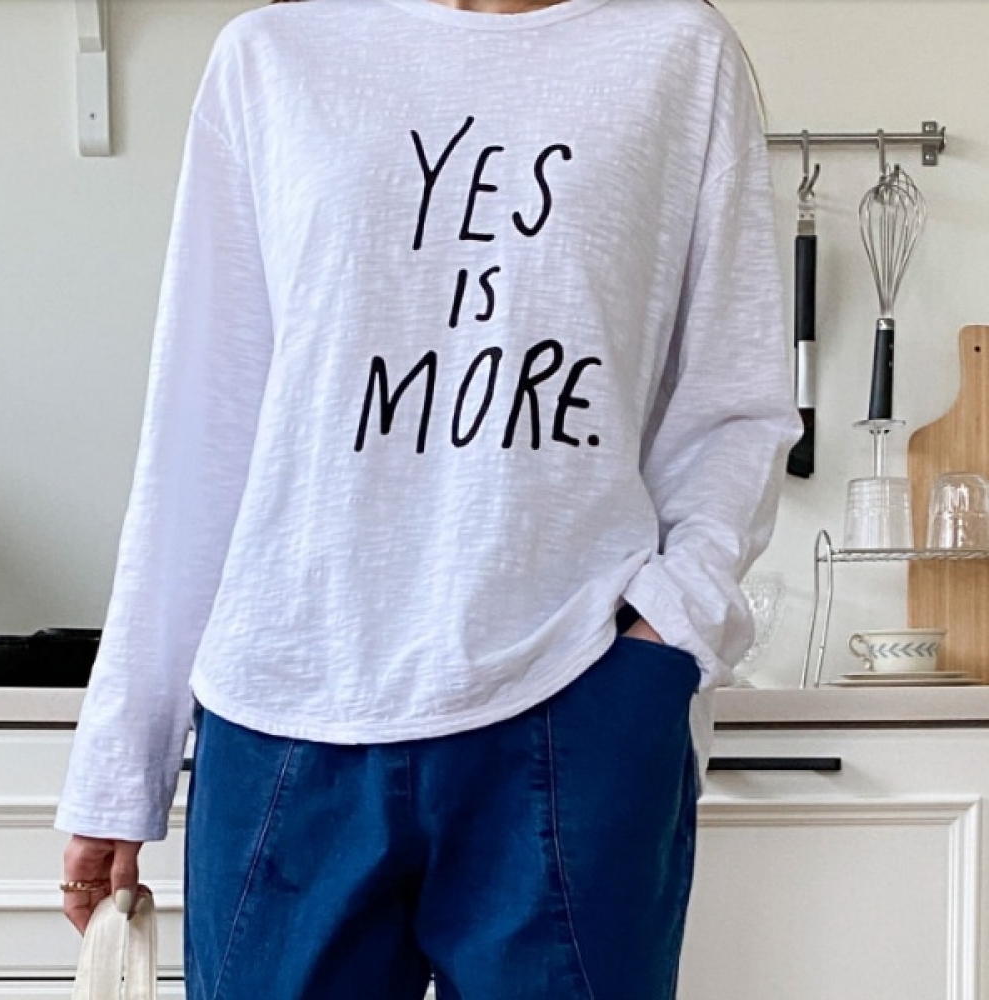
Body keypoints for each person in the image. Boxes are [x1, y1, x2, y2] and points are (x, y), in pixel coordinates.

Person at [55, 0, 801, 996]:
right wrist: (121, 760)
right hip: (284, 712)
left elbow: (733, 405)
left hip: (572, 695)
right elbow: (200, 428)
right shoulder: (274, 57)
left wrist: (669, 629)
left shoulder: (676, 54)